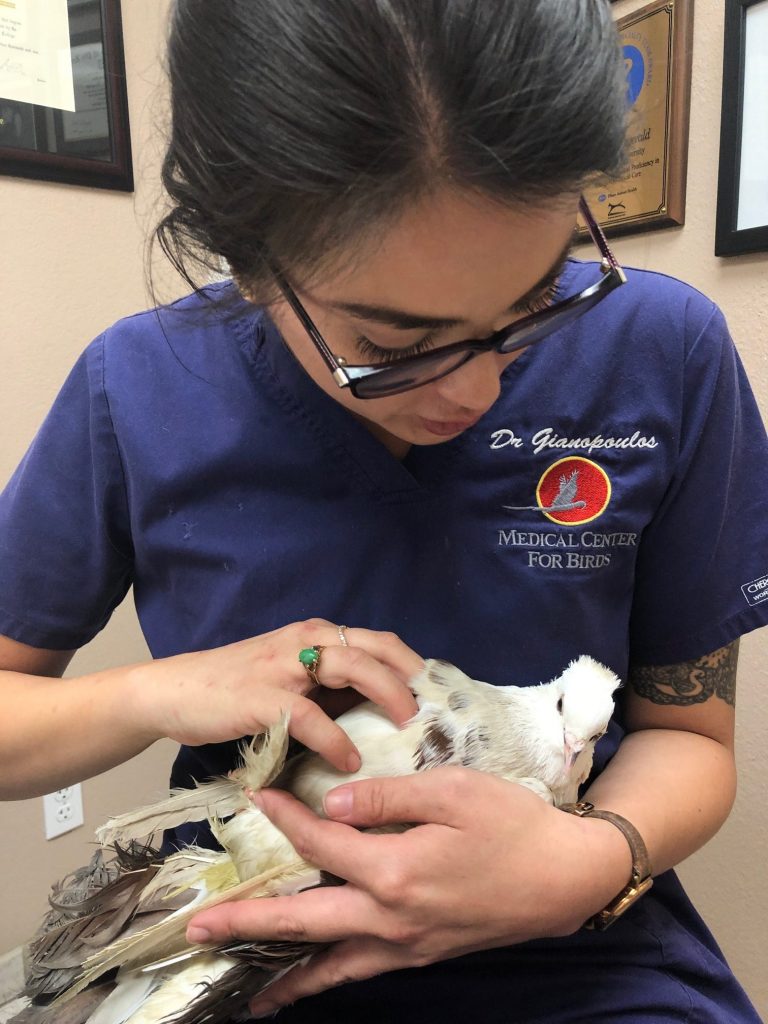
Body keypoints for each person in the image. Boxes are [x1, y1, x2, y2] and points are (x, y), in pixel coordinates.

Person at [2, 1, 766, 1020]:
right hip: (257, 940)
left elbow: (695, 739)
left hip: (577, 949)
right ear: (244, 252)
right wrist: (160, 691)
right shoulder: (135, 386)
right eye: (397, 345)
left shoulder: (664, 349)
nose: (483, 391)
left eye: (535, 301)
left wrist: (587, 863)